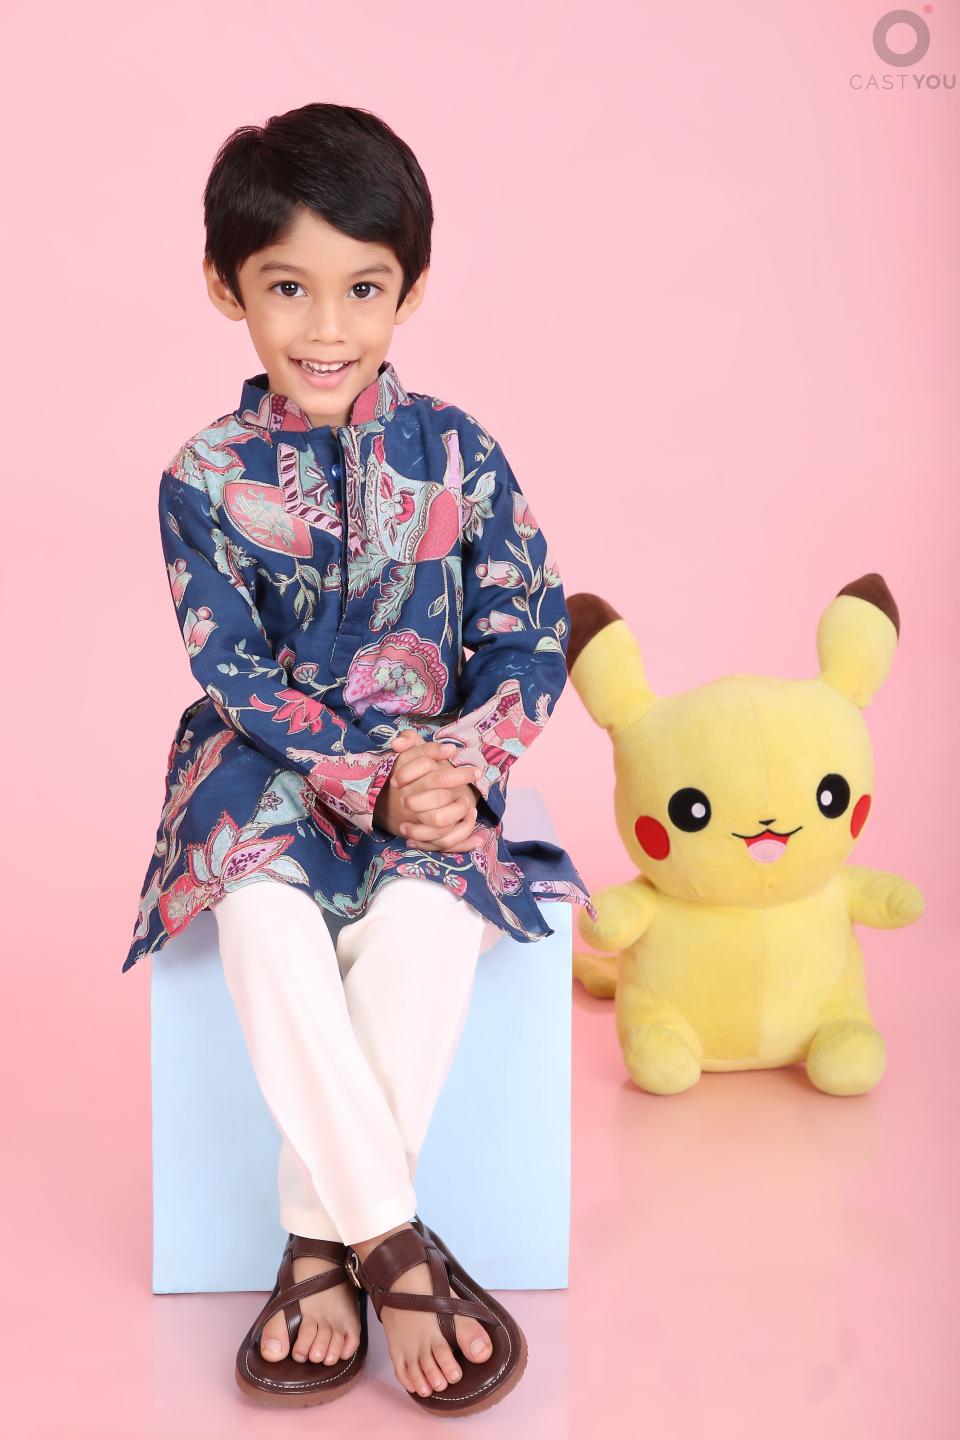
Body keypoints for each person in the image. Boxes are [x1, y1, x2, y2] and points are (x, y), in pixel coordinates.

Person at [123, 101, 595, 1416]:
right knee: (262, 915)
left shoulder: (461, 453)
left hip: (435, 774)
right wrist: (361, 776)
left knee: (430, 923)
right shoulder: (202, 477)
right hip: (259, 773)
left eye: (363, 288)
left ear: (411, 290)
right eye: (288, 286)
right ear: (226, 286)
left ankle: (316, 1245)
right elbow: (233, 671)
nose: (325, 326)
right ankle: (394, 1244)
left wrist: (462, 767)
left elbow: (527, 630)